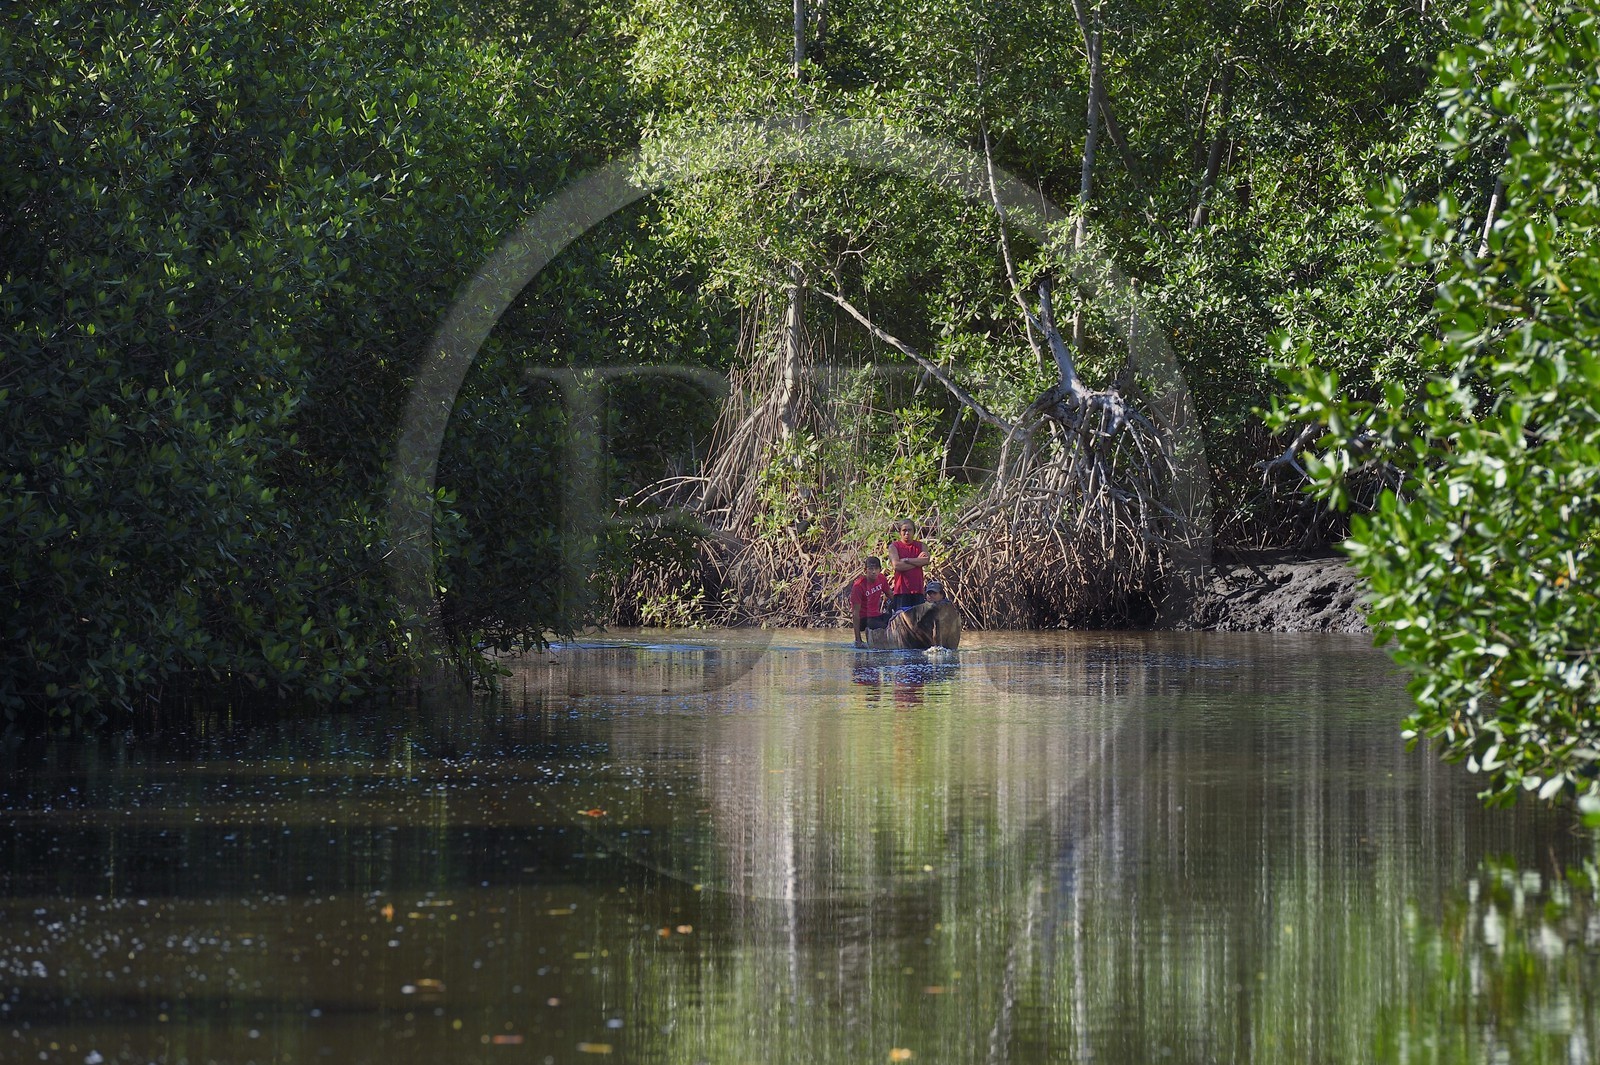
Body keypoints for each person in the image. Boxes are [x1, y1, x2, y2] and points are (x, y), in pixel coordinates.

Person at [887, 519, 930, 612]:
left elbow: (926, 560)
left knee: (919, 622)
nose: (907, 533)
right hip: (901, 591)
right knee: (903, 621)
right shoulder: (894, 546)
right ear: (900, 532)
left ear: (914, 532)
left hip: (918, 590)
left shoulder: (922, 546)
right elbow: (897, 566)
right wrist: (918, 561)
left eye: (909, 530)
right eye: (904, 530)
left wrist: (906, 560)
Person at [848, 555, 892, 647]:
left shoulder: (882, 578)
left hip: (877, 615)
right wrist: (858, 640)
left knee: (893, 621)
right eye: (871, 569)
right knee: (882, 627)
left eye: (876, 569)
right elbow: (855, 613)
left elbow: (891, 595)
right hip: (864, 619)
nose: (873, 572)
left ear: (880, 570)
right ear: (865, 570)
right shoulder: (858, 586)